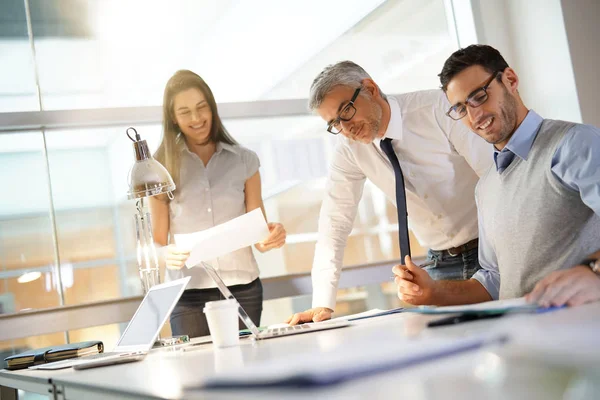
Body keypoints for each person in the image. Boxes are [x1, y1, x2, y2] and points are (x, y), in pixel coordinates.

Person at [286, 61, 493, 325]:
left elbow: (494, 178)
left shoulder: (436, 108)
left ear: (370, 89)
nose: (346, 128)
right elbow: (333, 224)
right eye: (335, 123)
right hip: (439, 267)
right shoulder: (348, 150)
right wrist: (322, 303)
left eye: (346, 111)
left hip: (491, 251)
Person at [393, 44, 600, 307]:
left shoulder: (574, 143)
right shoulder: (486, 188)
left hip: (579, 326)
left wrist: (593, 272)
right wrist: (432, 292)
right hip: (519, 329)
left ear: (510, 80)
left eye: (479, 96)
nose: (474, 116)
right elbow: (493, 281)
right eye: (460, 109)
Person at [150, 70, 286, 337]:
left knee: (245, 362)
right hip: (188, 293)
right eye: (185, 112)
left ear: (212, 108)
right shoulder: (160, 168)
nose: (196, 118)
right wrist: (166, 254)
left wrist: (271, 235)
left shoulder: (244, 160)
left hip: (243, 288)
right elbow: (156, 243)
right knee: (197, 365)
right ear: (174, 118)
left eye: (202, 108)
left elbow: (259, 235)